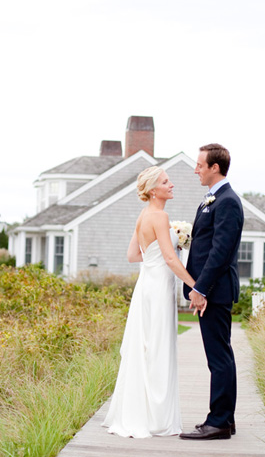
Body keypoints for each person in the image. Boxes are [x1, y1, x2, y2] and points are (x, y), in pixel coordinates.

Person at [102, 165, 197, 438]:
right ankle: (156, 418)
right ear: (153, 189)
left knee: (146, 347)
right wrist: (196, 285)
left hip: (146, 285)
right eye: (166, 182)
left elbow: (133, 255)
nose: (172, 185)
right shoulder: (160, 216)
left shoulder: (143, 216)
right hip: (158, 289)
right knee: (158, 348)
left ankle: (140, 411)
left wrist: (158, 254)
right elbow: (170, 259)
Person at [179, 143, 244, 441]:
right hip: (211, 291)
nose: (196, 170)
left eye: (200, 165)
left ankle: (218, 421)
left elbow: (220, 251)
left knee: (219, 359)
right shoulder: (213, 200)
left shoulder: (227, 202)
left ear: (214, 167)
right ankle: (225, 419)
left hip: (214, 292)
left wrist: (200, 288)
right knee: (220, 357)